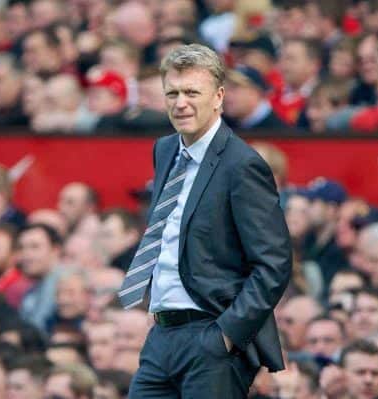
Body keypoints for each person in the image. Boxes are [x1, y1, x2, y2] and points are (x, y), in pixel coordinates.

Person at [120, 44, 291, 398]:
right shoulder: (164, 149)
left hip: (211, 336)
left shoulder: (242, 164)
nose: (180, 103)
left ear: (218, 97)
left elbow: (273, 264)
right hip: (161, 335)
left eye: (192, 92)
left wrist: (227, 334)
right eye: (172, 93)